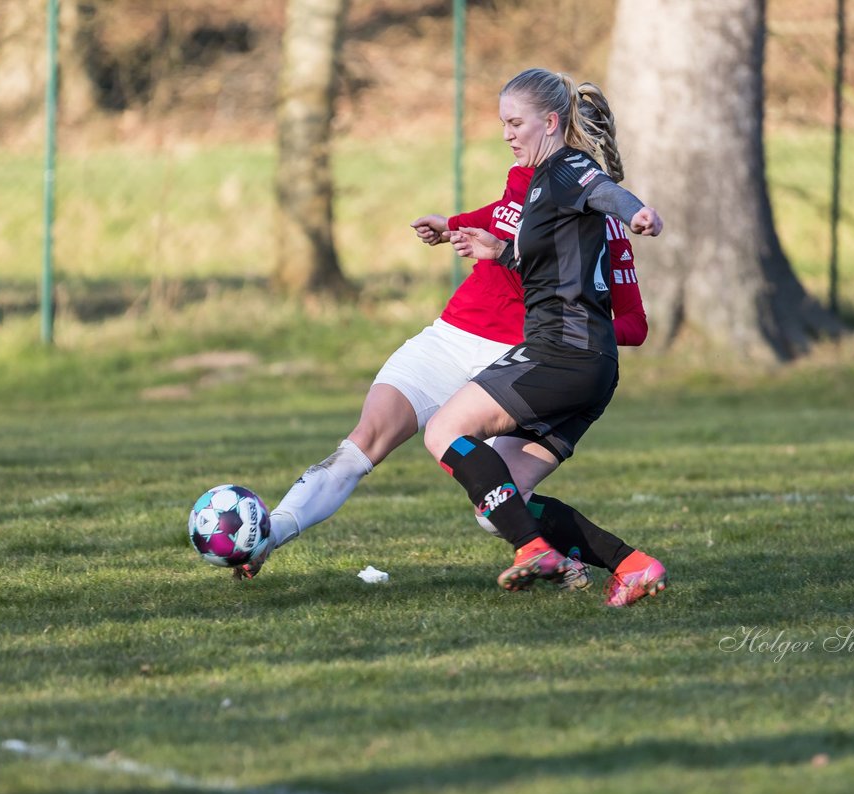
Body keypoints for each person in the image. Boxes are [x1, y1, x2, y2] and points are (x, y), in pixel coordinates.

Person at [237, 105, 648, 586]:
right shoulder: (530, 177)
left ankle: (569, 556)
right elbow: (505, 214)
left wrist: (571, 332)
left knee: (496, 506)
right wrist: (452, 224)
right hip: (452, 336)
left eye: (517, 126)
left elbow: (633, 323)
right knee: (364, 439)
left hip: (522, 358)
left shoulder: (604, 224)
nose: (511, 138)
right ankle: (268, 535)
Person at [428, 68, 668, 607]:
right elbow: (557, 263)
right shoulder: (537, 184)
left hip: (562, 350)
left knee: (444, 427)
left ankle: (534, 550)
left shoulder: (566, 168)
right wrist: (500, 253)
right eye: (503, 124)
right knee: (504, 497)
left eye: (516, 122)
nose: (508, 133)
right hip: (589, 363)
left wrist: (639, 214)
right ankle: (633, 565)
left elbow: (606, 191)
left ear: (551, 121)